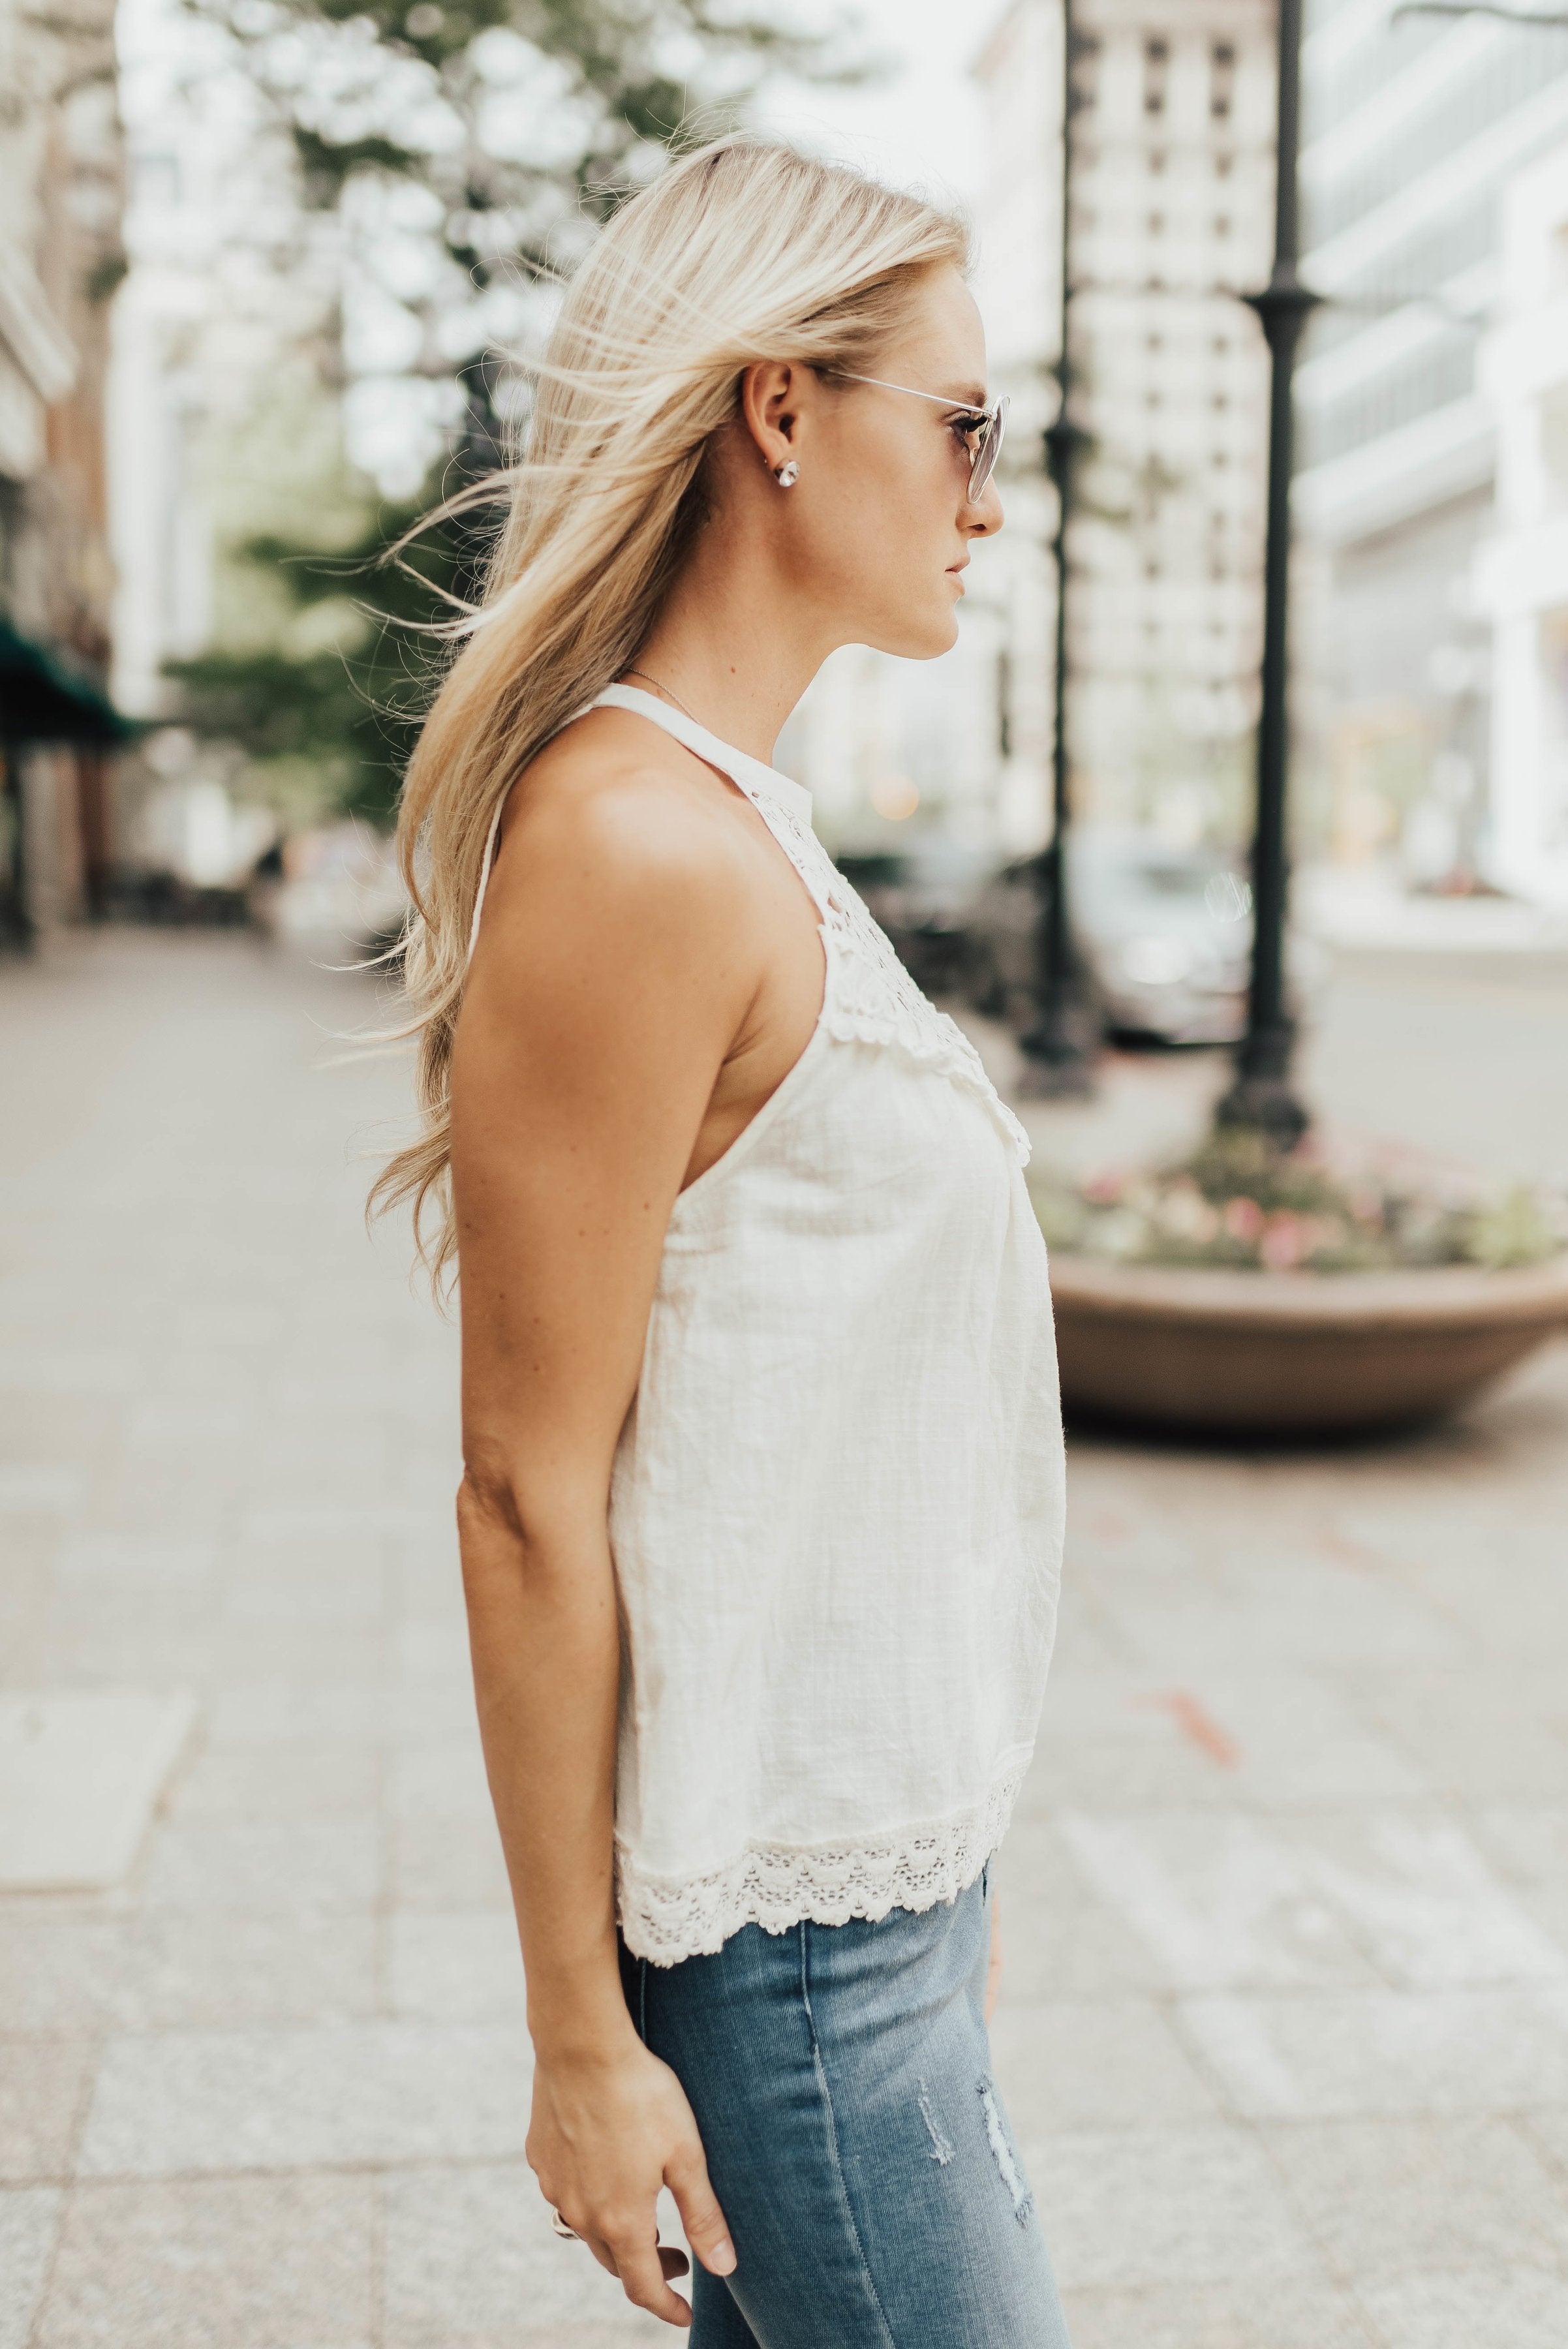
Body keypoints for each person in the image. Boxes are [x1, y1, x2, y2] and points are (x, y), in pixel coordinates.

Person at [373, 136, 1069, 2348]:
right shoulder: (635, 846)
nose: (990, 483)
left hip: (874, 1900)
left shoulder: (735, 825)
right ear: (779, 409)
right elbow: (519, 1493)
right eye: (963, 423)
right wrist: (580, 2045)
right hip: (788, 1954)